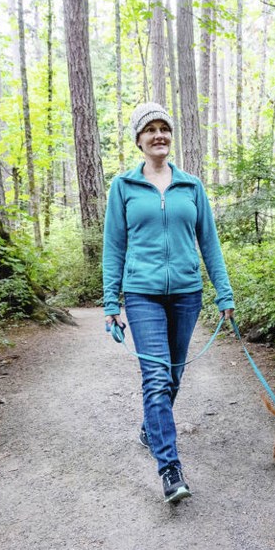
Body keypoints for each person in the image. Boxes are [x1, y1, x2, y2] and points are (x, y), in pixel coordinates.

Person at [103, 101, 235, 504]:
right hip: (141, 294)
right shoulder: (123, 187)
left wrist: (224, 292)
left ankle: (150, 426)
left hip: (185, 294)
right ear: (139, 140)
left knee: (174, 374)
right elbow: (114, 247)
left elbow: (209, 243)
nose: (159, 135)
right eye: (150, 129)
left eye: (164, 128)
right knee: (157, 378)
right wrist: (112, 302)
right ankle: (169, 468)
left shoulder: (191, 186)